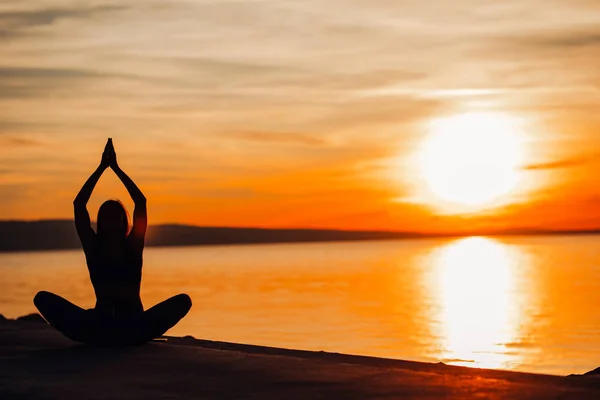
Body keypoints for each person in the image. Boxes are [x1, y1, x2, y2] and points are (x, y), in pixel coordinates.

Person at [34, 138, 192, 345]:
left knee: (183, 301)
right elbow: (79, 204)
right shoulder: (94, 247)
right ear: (100, 221)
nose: (109, 218)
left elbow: (140, 202)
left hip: (133, 324)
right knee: (42, 298)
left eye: (114, 214)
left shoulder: (133, 246)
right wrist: (101, 168)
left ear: (122, 219)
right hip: (100, 324)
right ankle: (105, 337)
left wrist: (116, 169)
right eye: (105, 215)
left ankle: (120, 337)